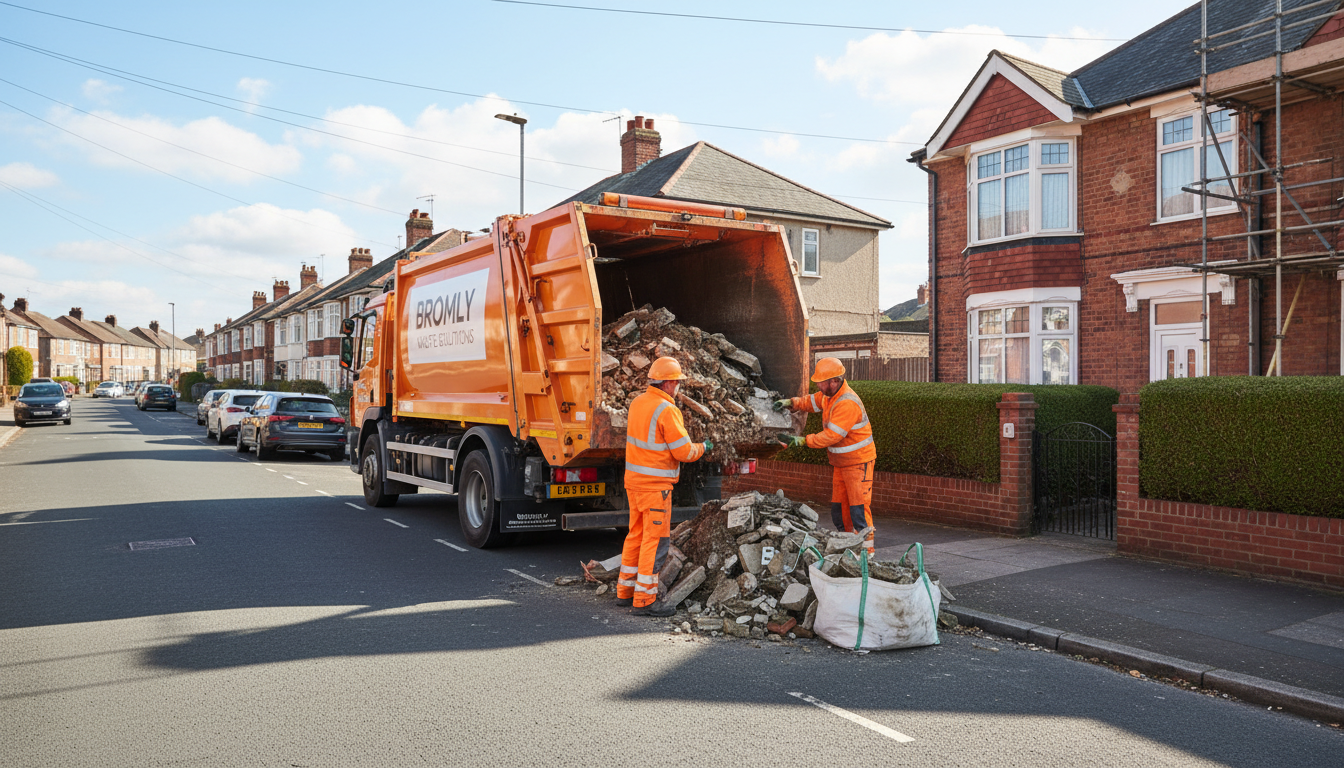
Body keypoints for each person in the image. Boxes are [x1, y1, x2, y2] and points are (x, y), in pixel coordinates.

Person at [617, 356, 712, 616]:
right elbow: (683, 451)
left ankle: (625, 591)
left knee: (635, 535)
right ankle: (645, 600)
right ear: (668, 383)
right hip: (655, 487)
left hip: (634, 484)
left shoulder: (638, 403)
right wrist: (703, 448)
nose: (678, 387)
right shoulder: (666, 410)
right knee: (655, 540)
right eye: (678, 382)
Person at [773, 357, 877, 555]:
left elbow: (832, 436)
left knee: (858, 510)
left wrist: (801, 440)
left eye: (821, 382)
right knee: (839, 511)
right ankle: (848, 547)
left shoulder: (847, 403)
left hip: (858, 463)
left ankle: (867, 553)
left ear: (834, 381)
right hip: (841, 464)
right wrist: (791, 403)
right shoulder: (829, 396)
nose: (818, 386)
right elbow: (811, 401)